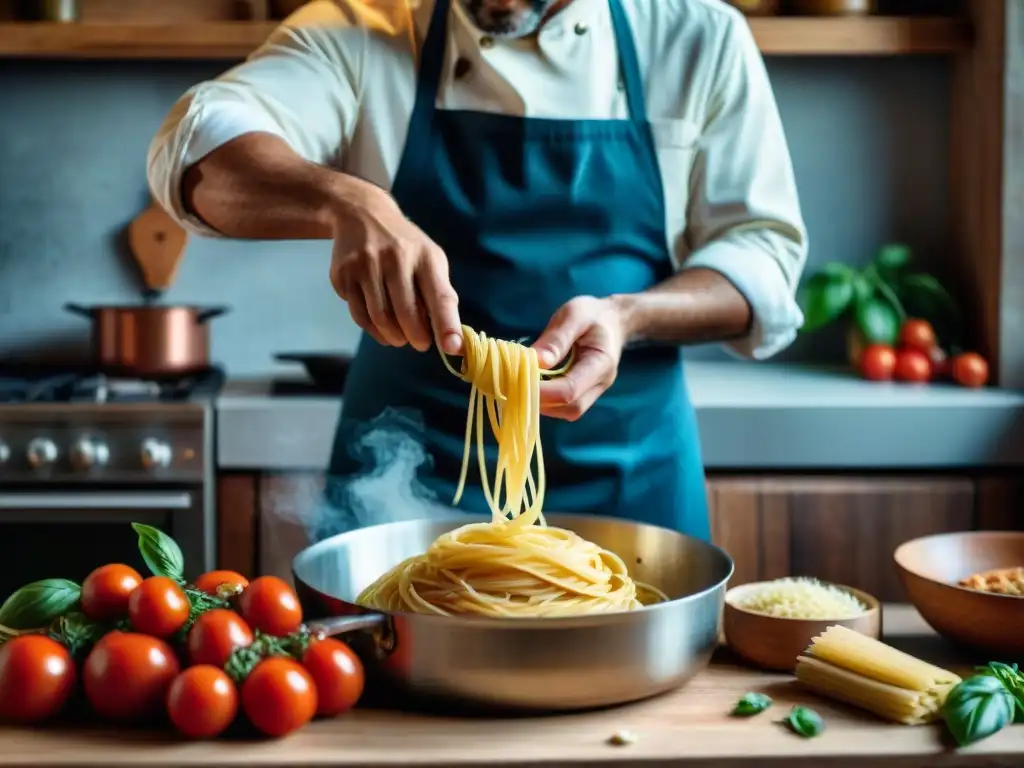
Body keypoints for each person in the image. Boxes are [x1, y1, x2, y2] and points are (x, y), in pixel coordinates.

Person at [148, 0, 807, 541]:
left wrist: (628, 316)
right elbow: (196, 146)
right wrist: (344, 198)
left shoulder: (697, 35)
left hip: (630, 484)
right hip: (403, 486)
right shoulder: (364, 27)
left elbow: (763, 260)